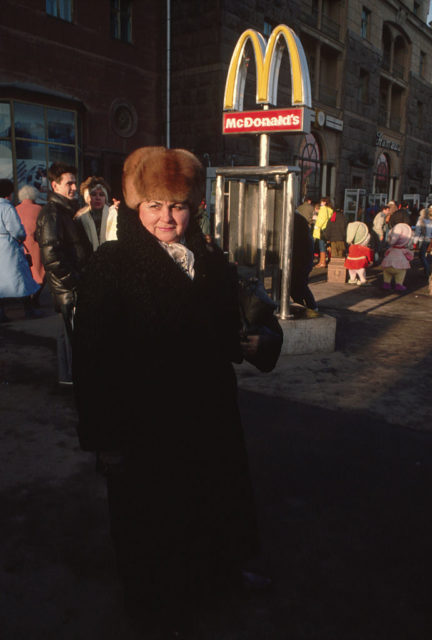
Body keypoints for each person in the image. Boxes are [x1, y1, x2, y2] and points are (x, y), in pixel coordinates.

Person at [72, 147, 263, 636]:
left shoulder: (211, 260)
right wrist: (105, 437)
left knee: (209, 502)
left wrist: (255, 339)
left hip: (209, 415)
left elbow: (233, 327)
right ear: (135, 206)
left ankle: (212, 579)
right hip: (143, 425)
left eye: (176, 204)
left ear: (194, 205)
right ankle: (156, 603)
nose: (166, 217)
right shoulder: (111, 263)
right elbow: (92, 358)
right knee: (151, 522)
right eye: (154, 204)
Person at [35, 162, 92, 385]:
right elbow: (52, 257)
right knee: (70, 335)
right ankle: (70, 377)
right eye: (68, 183)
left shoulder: (65, 211)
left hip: (69, 286)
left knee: (67, 334)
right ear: (55, 185)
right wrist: (74, 282)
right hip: (68, 287)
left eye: (74, 182)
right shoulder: (52, 213)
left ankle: (68, 376)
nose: (74, 187)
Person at [0, 179, 40, 322]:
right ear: (8, 194)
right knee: (22, 279)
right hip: (9, 248)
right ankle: (29, 310)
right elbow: (16, 229)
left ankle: (2, 313)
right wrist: (21, 237)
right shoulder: (7, 207)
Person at [16, 185, 45, 308]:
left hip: (21, 245)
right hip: (36, 244)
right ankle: (35, 298)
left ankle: (27, 300)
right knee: (40, 271)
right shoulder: (39, 209)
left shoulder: (15, 209)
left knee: (25, 273)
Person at [75, 176, 117, 250]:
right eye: (93, 194)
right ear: (87, 198)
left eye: (101, 195)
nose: (98, 198)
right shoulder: (80, 218)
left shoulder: (114, 215)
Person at [290, 212, 317, 310]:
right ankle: (302, 305)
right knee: (297, 285)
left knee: (299, 284)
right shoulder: (299, 219)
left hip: (300, 259)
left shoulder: (296, 221)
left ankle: (311, 306)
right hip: (302, 259)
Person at [381, 223, 414, 291]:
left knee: (387, 274)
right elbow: (410, 257)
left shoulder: (390, 249)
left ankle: (386, 283)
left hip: (388, 265)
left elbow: (386, 254)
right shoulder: (404, 250)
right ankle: (399, 284)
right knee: (401, 274)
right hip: (400, 266)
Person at [344, 221, 374, 286]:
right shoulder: (363, 248)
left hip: (350, 262)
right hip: (360, 263)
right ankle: (363, 280)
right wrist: (370, 261)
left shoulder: (351, 247)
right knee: (361, 272)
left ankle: (352, 279)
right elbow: (369, 254)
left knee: (352, 272)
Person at [312, 196, 333, 267]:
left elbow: (321, 219)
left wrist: (317, 226)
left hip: (321, 230)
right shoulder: (330, 210)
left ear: (324, 202)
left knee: (321, 246)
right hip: (327, 229)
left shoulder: (323, 209)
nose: (321, 203)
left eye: (322, 201)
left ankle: (322, 262)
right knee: (326, 246)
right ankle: (324, 261)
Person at [413, 206, 432, 278]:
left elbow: (417, 232)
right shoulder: (430, 221)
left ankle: (427, 270)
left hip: (422, 240)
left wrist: (415, 241)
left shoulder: (420, 221)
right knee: (424, 255)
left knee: (422, 256)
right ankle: (426, 269)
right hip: (428, 240)